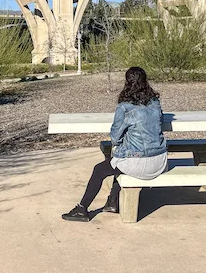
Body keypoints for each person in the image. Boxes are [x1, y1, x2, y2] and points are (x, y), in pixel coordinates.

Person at [62, 67, 168, 222]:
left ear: (127, 82)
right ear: (146, 81)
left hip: (138, 163)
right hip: (160, 161)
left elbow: (115, 138)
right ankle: (112, 201)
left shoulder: (125, 107)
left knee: (101, 169)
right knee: (118, 161)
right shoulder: (155, 103)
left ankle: (82, 209)